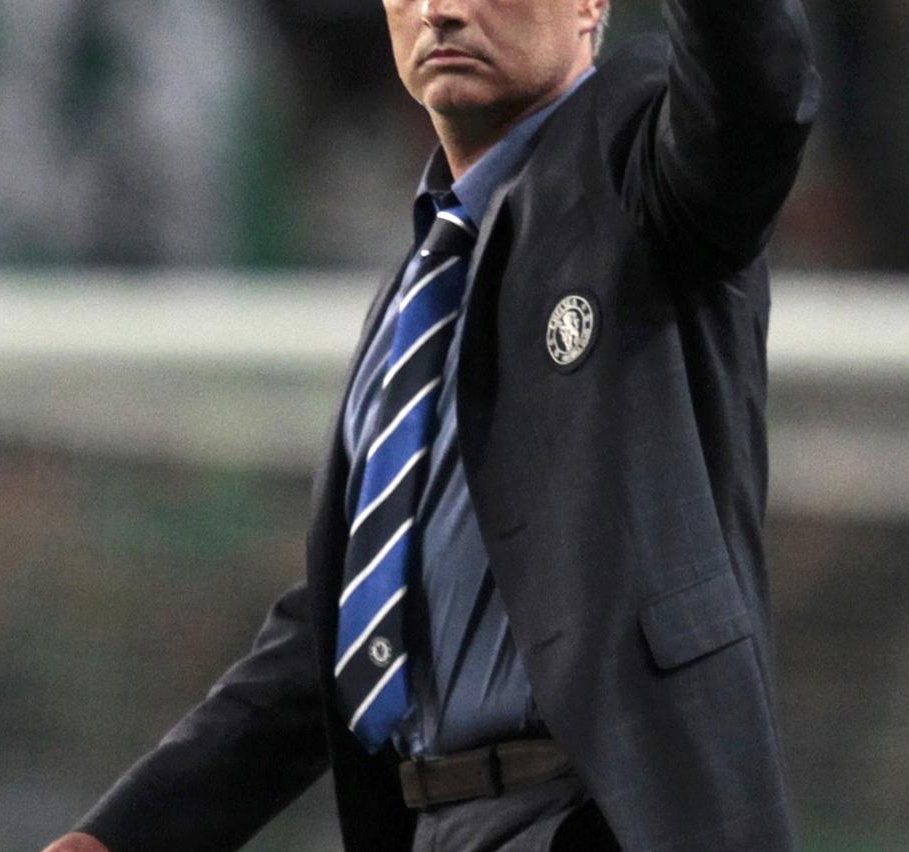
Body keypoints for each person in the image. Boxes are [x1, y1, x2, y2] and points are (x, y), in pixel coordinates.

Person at [42, 0, 819, 848]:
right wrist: (121, 836)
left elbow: (755, 103)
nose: (443, 9)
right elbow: (347, 632)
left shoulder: (633, 157)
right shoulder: (416, 294)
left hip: (597, 819)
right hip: (430, 824)